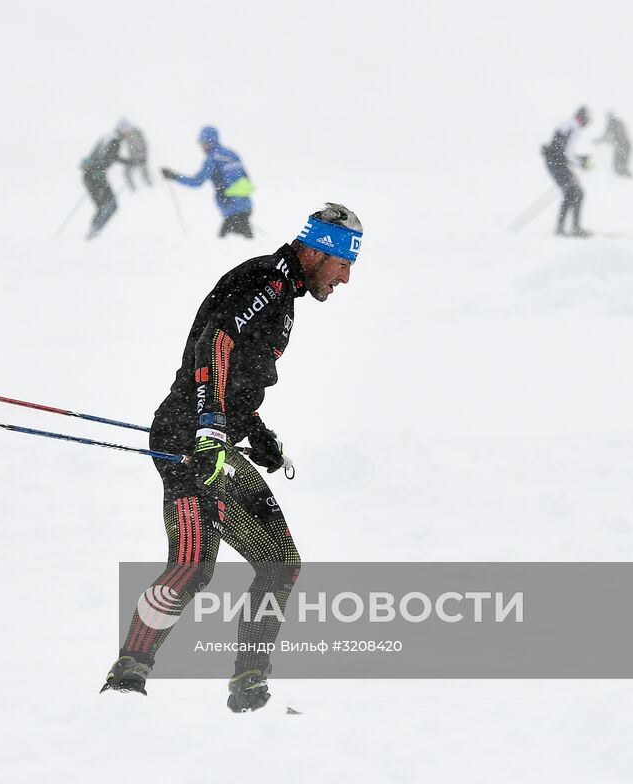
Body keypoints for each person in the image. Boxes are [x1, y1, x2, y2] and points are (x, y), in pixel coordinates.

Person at [100, 202, 364, 713]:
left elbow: (237, 372)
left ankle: (249, 688)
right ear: (315, 252)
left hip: (214, 438)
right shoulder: (265, 282)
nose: (346, 278)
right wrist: (209, 427)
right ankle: (126, 680)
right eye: (342, 264)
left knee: (280, 564)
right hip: (190, 440)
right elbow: (215, 346)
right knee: (193, 565)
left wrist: (255, 431)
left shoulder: (282, 293)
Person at [162, 126, 255, 239]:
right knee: (244, 244)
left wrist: (174, 176)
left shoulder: (212, 159)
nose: (201, 146)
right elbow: (246, 178)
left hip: (231, 210)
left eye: (202, 142)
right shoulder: (232, 154)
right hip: (246, 207)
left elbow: (197, 181)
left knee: (226, 245)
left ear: (208, 142)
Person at [542, 106, 592, 237]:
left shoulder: (568, 124)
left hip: (553, 162)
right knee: (577, 193)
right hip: (557, 164)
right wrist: (581, 163)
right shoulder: (574, 127)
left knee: (570, 193)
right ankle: (575, 228)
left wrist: (579, 159)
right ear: (583, 119)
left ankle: (561, 228)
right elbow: (568, 153)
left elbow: (562, 149)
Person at [80, 125, 131, 240]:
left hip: (91, 175)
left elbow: (103, 157)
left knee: (104, 205)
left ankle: (93, 231)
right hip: (96, 175)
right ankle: (94, 232)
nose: (128, 135)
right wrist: (129, 162)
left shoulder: (108, 138)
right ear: (123, 130)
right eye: (127, 132)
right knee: (110, 205)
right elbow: (109, 159)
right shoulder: (114, 141)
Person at [593, 111, 633, 177]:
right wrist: (612, 140)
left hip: (620, 146)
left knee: (617, 167)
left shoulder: (611, 124)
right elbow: (620, 134)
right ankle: (627, 177)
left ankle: (623, 179)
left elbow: (606, 136)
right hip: (627, 145)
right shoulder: (619, 122)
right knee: (623, 166)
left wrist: (597, 141)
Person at [118, 119, 151, 190]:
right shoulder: (131, 134)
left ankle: (148, 188)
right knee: (128, 173)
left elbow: (141, 146)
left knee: (142, 173)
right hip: (135, 158)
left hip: (139, 158)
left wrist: (137, 158)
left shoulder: (134, 133)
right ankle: (135, 189)